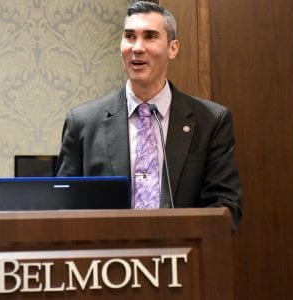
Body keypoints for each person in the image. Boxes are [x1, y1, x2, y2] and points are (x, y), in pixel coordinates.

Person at [56, 1, 242, 230]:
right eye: (130, 36)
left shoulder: (211, 121)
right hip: (105, 261)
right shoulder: (82, 122)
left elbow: (225, 206)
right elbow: (62, 208)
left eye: (150, 36)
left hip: (182, 259)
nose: (137, 47)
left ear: (172, 48)